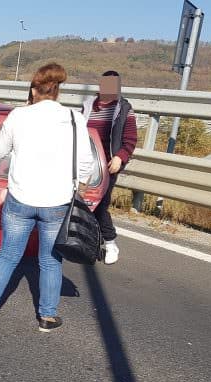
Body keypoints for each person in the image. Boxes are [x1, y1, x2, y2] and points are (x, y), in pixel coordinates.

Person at [0, 63, 95, 333]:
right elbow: (86, 162)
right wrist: (82, 185)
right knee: (50, 260)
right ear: (58, 90)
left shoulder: (19, 116)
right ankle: (47, 317)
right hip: (56, 201)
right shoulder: (75, 119)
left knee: (7, 256)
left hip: (20, 198)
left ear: (33, 89)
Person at [81, 70, 137, 264]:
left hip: (108, 166)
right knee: (80, 201)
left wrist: (120, 158)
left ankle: (111, 243)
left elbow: (130, 140)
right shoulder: (88, 105)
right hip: (86, 163)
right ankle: (79, 238)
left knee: (100, 205)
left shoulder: (124, 109)